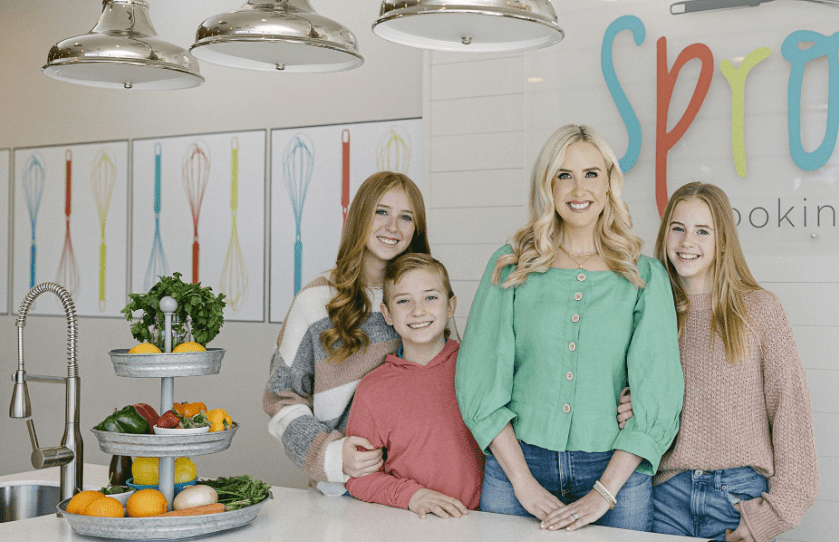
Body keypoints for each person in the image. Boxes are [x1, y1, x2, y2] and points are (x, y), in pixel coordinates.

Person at [455, 124, 684, 533]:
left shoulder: (643, 277)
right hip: (516, 465)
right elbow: (480, 382)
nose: (579, 189)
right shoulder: (511, 267)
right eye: (564, 175)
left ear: (610, 183)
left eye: (591, 174)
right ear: (548, 186)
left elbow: (658, 392)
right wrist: (522, 483)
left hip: (615, 472)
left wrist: (604, 492)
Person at [620, 182, 819, 541]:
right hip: (667, 494)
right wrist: (632, 405)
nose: (686, 242)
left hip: (738, 497)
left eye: (702, 231)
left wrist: (774, 515)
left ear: (722, 239)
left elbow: (790, 411)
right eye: (677, 228)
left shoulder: (759, 309)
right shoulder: (651, 311)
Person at [264, 171, 429, 494]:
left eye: (406, 217)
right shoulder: (315, 302)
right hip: (344, 492)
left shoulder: (426, 301)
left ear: (416, 230)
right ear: (359, 217)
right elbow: (280, 399)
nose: (392, 227)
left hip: (422, 487)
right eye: (381, 211)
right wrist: (331, 455)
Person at [344, 253, 484, 518]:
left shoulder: (478, 368)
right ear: (387, 313)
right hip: (408, 522)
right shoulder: (373, 389)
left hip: (478, 522)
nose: (418, 311)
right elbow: (358, 478)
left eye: (430, 297)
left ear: (451, 306)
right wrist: (413, 496)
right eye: (404, 301)